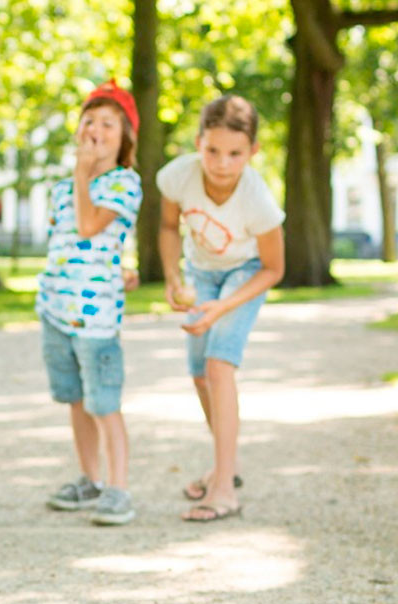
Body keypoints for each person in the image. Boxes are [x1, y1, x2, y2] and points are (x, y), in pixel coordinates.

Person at [157, 95, 285, 522]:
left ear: (253, 151)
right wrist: (174, 278)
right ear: (198, 142)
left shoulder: (258, 201)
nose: (222, 163)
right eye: (212, 150)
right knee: (198, 373)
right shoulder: (178, 177)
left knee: (218, 366)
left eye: (235, 153)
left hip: (244, 274)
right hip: (202, 270)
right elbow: (168, 226)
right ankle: (226, 462)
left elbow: (273, 268)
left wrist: (222, 308)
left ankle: (224, 488)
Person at [37, 79, 143, 526]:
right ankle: (89, 478)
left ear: (124, 142)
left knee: (104, 402)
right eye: (89, 121)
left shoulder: (124, 183)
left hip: (95, 319)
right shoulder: (61, 188)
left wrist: (83, 174)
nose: (96, 130)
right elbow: (67, 245)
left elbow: (87, 226)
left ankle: (118, 488)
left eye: (108, 124)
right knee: (76, 400)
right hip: (56, 312)